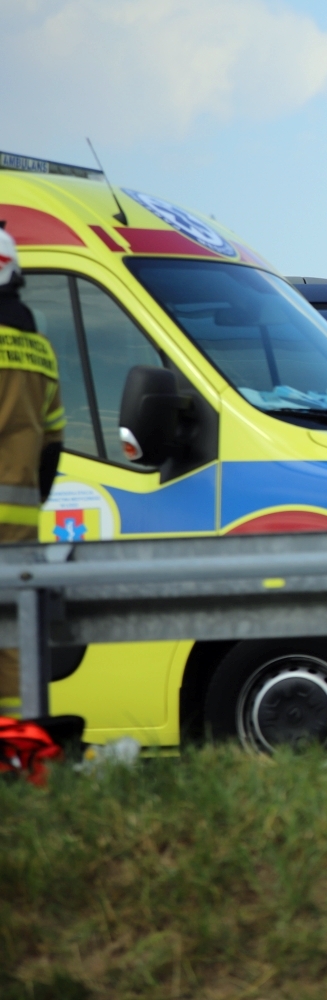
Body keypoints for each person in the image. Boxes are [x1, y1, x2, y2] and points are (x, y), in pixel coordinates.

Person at [0, 222, 66, 717]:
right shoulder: (39, 351)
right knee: (11, 638)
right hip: (19, 525)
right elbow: (53, 445)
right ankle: (14, 748)